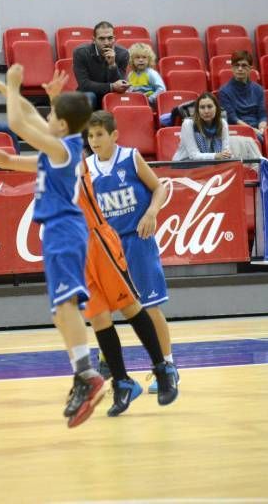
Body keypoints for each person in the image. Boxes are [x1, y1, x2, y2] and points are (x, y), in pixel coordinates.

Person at [0, 66, 105, 428]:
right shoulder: (56, 149)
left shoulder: (64, 148)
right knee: (61, 311)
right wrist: (0, 89)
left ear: (61, 125)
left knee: (67, 305)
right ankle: (82, 372)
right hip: (58, 232)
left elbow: (17, 122)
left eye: (52, 114)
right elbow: (10, 158)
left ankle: (88, 374)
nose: (46, 116)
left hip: (65, 230)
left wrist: (11, 86)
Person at [83, 110, 179, 399]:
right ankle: (107, 364)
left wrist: (151, 212)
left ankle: (169, 364)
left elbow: (159, 187)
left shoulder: (131, 157)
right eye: (90, 135)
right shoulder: (87, 167)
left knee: (149, 306)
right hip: (108, 246)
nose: (95, 140)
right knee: (105, 309)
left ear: (114, 135)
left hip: (138, 240)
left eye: (100, 134)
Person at [73, 21, 130, 109]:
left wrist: (112, 65)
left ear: (114, 38)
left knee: (125, 98)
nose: (106, 42)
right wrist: (111, 86)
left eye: (110, 38)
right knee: (89, 97)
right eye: (102, 39)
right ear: (94, 40)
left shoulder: (123, 53)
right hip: (87, 93)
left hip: (111, 94)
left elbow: (120, 84)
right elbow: (84, 84)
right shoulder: (81, 52)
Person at [218, 50, 267, 142]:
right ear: (232, 68)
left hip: (257, 128)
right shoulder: (224, 91)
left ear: (250, 68)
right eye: (237, 65)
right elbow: (232, 118)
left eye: (244, 66)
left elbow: (262, 114)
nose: (240, 69)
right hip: (237, 129)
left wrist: (262, 126)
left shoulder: (258, 89)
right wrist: (252, 130)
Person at [173, 92, 232, 161]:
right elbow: (193, 155)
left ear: (216, 108)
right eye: (202, 107)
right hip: (184, 164)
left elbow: (225, 151)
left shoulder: (222, 123)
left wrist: (226, 154)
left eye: (209, 106)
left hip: (210, 164)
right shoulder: (188, 124)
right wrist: (216, 155)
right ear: (198, 110)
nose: (206, 111)